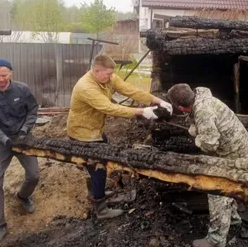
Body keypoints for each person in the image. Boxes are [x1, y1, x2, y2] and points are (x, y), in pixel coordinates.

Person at [67, 54, 173, 219]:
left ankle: (97, 191)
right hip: (83, 133)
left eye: (111, 74)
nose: (110, 77)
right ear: (96, 70)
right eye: (107, 74)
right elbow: (109, 108)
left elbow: (130, 90)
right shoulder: (86, 87)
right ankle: (100, 209)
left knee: (104, 156)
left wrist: (156, 100)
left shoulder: (107, 78)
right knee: (98, 169)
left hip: (95, 130)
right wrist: (141, 112)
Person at [166, 84, 248, 247]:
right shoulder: (201, 96)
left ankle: (216, 240)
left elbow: (210, 143)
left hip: (235, 154)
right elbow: (198, 119)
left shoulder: (203, 112)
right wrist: (195, 127)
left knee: (216, 192)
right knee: (229, 188)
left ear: (180, 107)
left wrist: (198, 139)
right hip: (238, 147)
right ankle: (233, 219)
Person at [0, 59, 40, 243]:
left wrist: (24, 130)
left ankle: (23, 196)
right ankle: (0, 225)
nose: (1, 79)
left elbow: (33, 110)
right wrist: (4, 139)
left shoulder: (22, 89)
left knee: (34, 175)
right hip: (0, 143)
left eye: (4, 75)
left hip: (23, 139)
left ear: (11, 73)